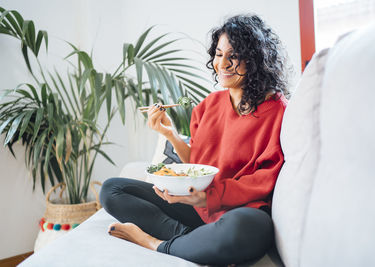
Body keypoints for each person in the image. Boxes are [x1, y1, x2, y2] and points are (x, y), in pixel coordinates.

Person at [100, 14, 290, 266]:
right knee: (112, 190)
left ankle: (154, 242)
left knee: (247, 228)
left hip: (239, 211)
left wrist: (209, 197)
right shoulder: (207, 106)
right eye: (218, 54)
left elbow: (263, 179)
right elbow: (197, 164)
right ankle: (192, 241)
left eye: (232, 56)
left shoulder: (277, 110)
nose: (221, 64)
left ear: (254, 60)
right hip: (198, 206)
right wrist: (170, 135)